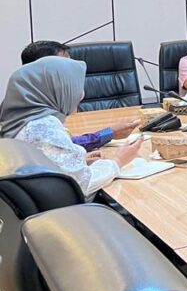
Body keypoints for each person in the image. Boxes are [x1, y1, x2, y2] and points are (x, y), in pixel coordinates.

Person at [0, 56, 141, 196]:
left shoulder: (20, 120)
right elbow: (84, 184)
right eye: (74, 85)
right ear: (56, 88)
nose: (81, 94)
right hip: (67, 207)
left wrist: (77, 161)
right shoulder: (42, 126)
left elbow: (42, 162)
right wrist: (118, 160)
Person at [18, 40, 138, 149]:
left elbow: (66, 144)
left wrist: (109, 133)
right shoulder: (37, 122)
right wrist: (118, 159)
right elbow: (64, 150)